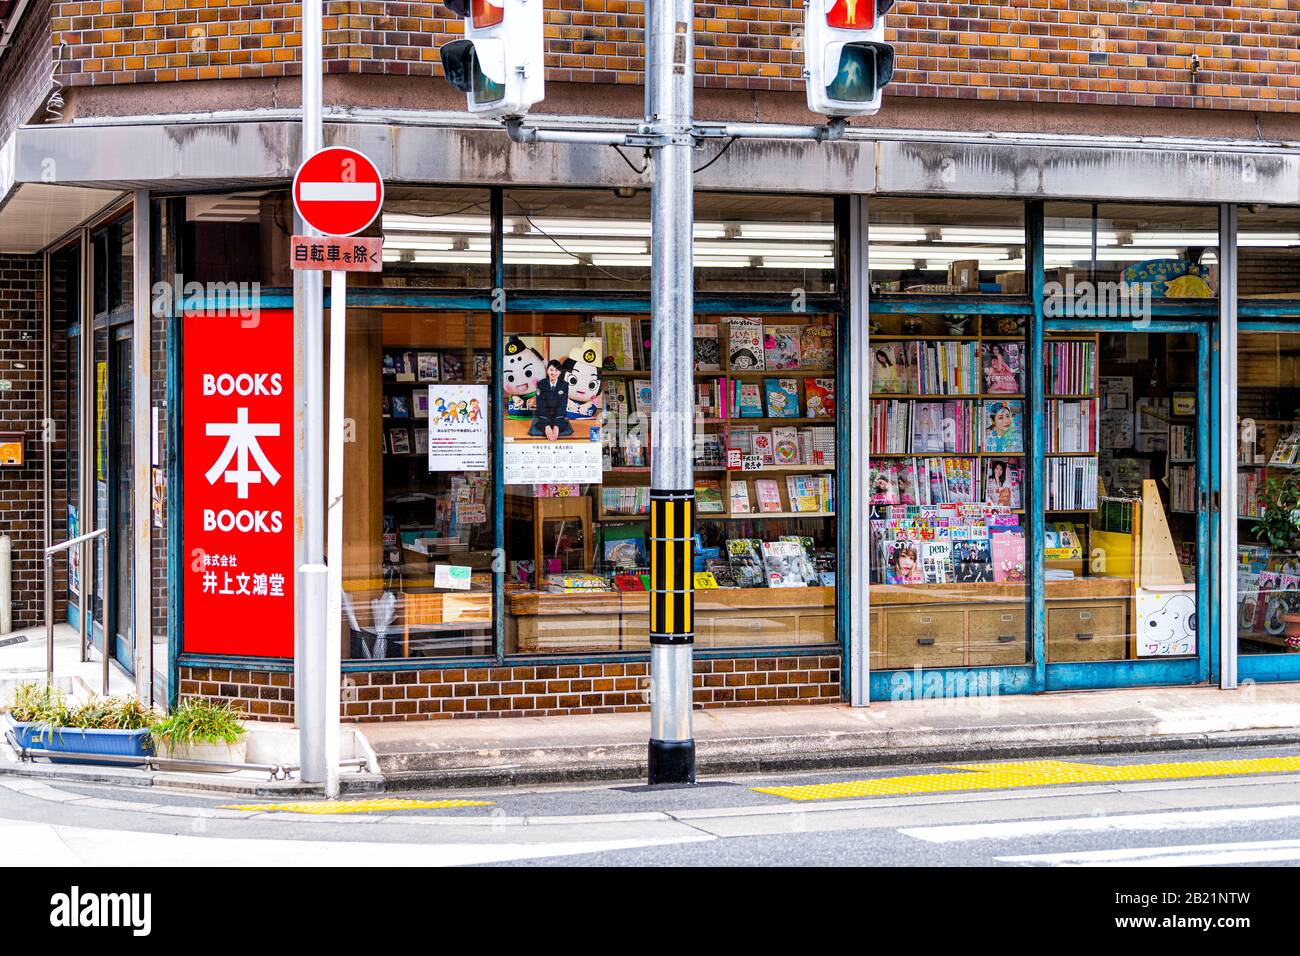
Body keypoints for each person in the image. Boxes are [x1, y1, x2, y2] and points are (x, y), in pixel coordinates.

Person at [529, 360, 573, 441]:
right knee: (540, 425)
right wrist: (547, 426)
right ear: (547, 370)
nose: (553, 373)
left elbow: (563, 404)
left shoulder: (564, 384)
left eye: (556, 370)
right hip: (544, 414)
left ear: (560, 372)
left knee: (561, 426)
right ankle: (546, 424)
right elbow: (540, 403)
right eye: (551, 370)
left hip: (558, 414)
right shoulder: (541, 383)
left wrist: (556, 426)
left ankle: (556, 424)